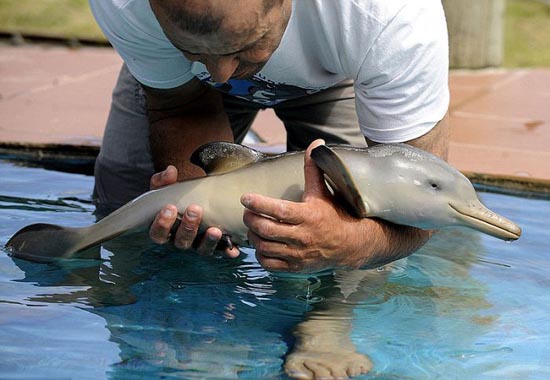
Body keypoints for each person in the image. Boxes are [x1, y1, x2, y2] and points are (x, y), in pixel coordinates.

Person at [89, 0, 449, 275]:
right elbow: (181, 107)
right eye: (193, 48)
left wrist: (349, 243)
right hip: (185, 88)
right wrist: (200, 204)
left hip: (334, 69)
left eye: (246, 45)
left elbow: (420, 206)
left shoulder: (387, 16)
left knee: (357, 228)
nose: (222, 74)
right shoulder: (124, 5)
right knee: (124, 206)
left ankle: (326, 327)